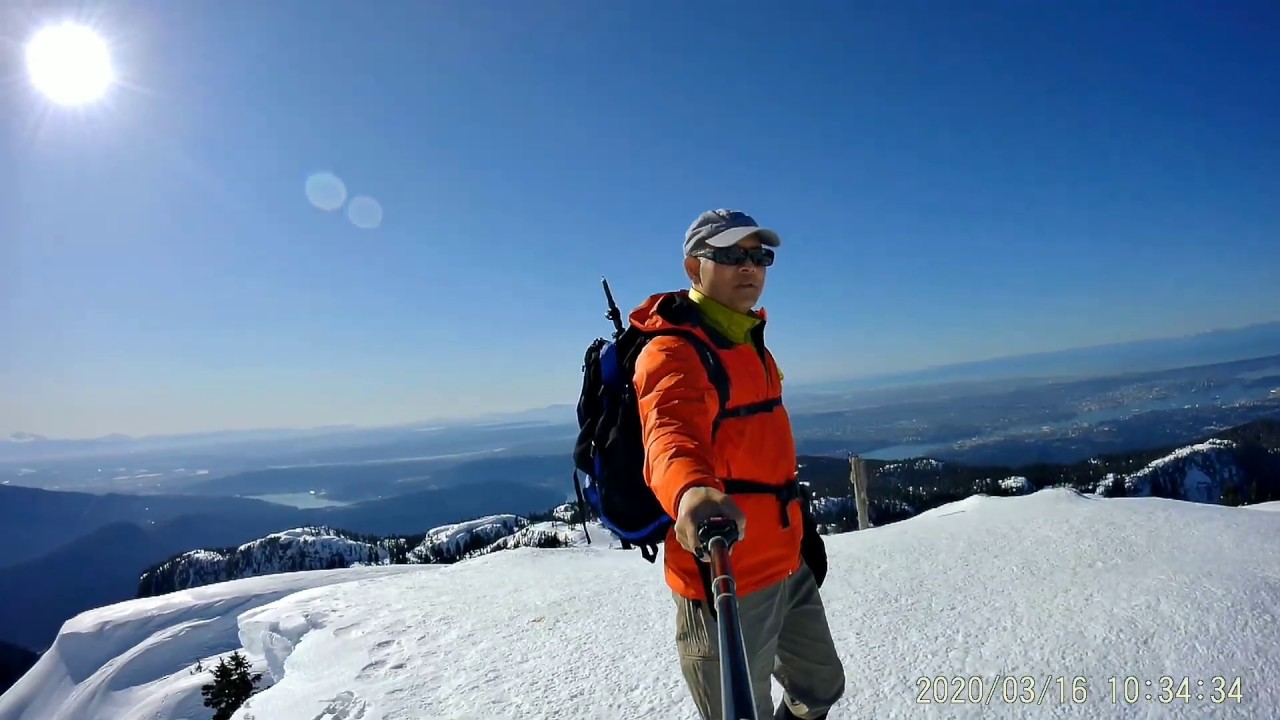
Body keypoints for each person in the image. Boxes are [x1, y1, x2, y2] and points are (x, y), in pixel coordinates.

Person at [627, 209, 846, 720]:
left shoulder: (746, 339)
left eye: (758, 255)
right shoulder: (673, 352)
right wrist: (692, 492)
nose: (748, 266)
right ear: (693, 268)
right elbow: (670, 436)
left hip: (786, 561)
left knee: (820, 688)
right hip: (722, 578)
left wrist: (798, 529)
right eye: (728, 255)